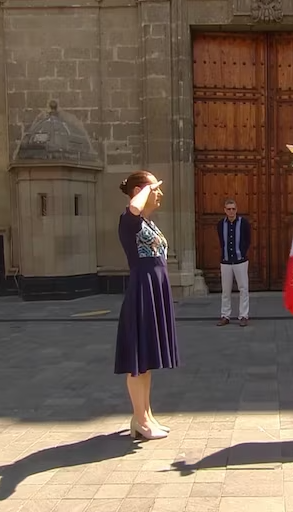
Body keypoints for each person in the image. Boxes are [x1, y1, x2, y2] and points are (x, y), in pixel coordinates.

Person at [115, 170, 179, 440]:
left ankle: (145, 415)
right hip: (142, 292)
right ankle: (140, 420)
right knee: (136, 361)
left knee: (147, 360)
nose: (160, 193)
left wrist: (149, 188)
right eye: (156, 189)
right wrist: (144, 190)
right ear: (141, 191)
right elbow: (133, 207)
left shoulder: (147, 224)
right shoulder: (128, 222)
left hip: (155, 292)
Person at [216, 198, 252, 327]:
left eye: (233, 209)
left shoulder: (243, 223)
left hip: (240, 261)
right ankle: (225, 315)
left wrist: (242, 252)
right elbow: (221, 240)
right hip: (225, 261)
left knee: (243, 288)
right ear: (225, 210)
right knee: (226, 290)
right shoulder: (221, 224)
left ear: (236, 210)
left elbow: (248, 239)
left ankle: (243, 315)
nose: (231, 211)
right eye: (228, 209)